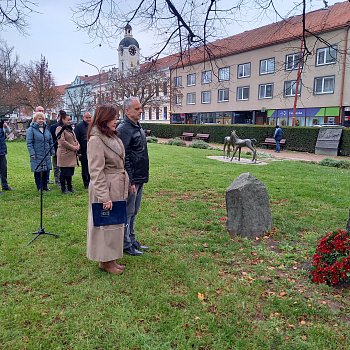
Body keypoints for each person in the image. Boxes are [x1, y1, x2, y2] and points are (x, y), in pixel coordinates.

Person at [87, 104, 129, 275]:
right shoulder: (96, 139)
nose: (116, 121)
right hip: (105, 187)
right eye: (113, 118)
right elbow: (95, 171)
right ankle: (105, 261)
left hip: (116, 185)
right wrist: (104, 196)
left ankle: (110, 258)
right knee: (105, 225)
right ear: (104, 119)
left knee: (114, 223)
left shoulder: (111, 136)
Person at [117, 97, 149, 256]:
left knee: (134, 211)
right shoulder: (123, 129)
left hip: (140, 177)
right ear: (127, 110)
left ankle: (132, 239)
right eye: (137, 109)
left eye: (140, 108)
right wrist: (130, 180)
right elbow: (124, 157)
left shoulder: (137, 126)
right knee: (128, 211)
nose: (141, 111)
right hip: (132, 179)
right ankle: (125, 243)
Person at [26, 112, 54, 191]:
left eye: (42, 119)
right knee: (38, 171)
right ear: (35, 120)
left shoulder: (46, 129)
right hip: (37, 154)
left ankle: (45, 186)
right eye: (39, 119)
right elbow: (29, 143)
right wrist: (32, 153)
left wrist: (52, 151)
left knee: (45, 170)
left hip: (46, 153)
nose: (41, 120)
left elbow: (50, 140)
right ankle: (39, 187)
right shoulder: (31, 130)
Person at [56, 112, 80, 194]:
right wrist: (73, 147)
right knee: (64, 172)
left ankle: (70, 187)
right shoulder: (59, 128)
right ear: (63, 120)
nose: (70, 121)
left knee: (70, 172)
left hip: (71, 154)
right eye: (68, 120)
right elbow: (62, 141)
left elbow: (74, 138)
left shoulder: (69, 128)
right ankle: (63, 188)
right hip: (64, 154)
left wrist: (77, 144)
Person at [74, 112, 92, 189]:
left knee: (92, 167)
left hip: (92, 150)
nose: (88, 119)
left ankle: (92, 182)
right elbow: (76, 139)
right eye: (86, 117)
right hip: (83, 151)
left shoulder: (93, 126)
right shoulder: (79, 127)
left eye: (89, 117)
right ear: (83, 118)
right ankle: (86, 183)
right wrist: (78, 152)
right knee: (85, 168)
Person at [0, 119, 14, 193]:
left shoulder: (1, 126)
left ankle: (5, 186)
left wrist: (6, 126)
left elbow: (9, 132)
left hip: (2, 152)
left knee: (4, 170)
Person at [49, 111, 62, 187]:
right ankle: (57, 180)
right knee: (56, 166)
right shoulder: (53, 127)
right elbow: (51, 139)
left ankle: (63, 180)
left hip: (64, 150)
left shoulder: (66, 126)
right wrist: (53, 150)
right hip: (56, 148)